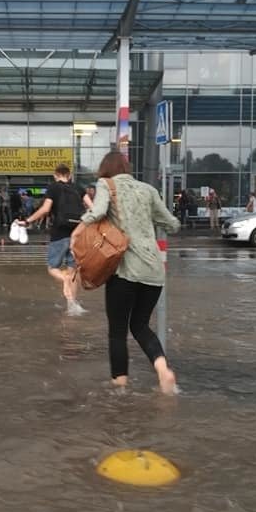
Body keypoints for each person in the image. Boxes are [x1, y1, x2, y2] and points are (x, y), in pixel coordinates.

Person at [71, 151, 181, 395]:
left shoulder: (105, 185)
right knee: (140, 325)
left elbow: (97, 212)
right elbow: (172, 224)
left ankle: (119, 387)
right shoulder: (148, 189)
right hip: (153, 272)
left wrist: (77, 231)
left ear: (105, 169)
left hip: (124, 271)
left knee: (118, 330)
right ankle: (163, 371)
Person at [20, 164, 92, 316]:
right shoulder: (78, 188)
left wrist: (28, 221)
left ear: (55, 175)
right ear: (69, 175)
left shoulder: (53, 188)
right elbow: (93, 208)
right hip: (77, 234)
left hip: (59, 233)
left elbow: (45, 209)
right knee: (72, 271)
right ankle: (72, 306)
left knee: (53, 268)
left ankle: (64, 280)